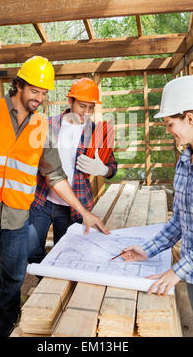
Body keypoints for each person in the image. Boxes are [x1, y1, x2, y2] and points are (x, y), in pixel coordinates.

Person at [0, 56, 109, 337]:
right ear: (18, 86)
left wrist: (84, 212)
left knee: (13, 282)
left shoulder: (42, 128)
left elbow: (56, 177)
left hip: (17, 215)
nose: (39, 98)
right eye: (34, 91)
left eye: (44, 93)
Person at [121, 75, 193, 337]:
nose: (169, 130)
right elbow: (178, 221)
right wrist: (147, 250)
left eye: (171, 123)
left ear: (190, 119)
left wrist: (176, 271)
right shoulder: (184, 161)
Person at [28, 77, 117, 263]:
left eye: (91, 108)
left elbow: (112, 168)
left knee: (66, 256)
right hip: (41, 200)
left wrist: (102, 170)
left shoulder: (96, 133)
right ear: (70, 102)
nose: (86, 113)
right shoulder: (48, 125)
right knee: (30, 250)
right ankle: (44, 278)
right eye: (82, 106)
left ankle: (53, 281)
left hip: (72, 207)